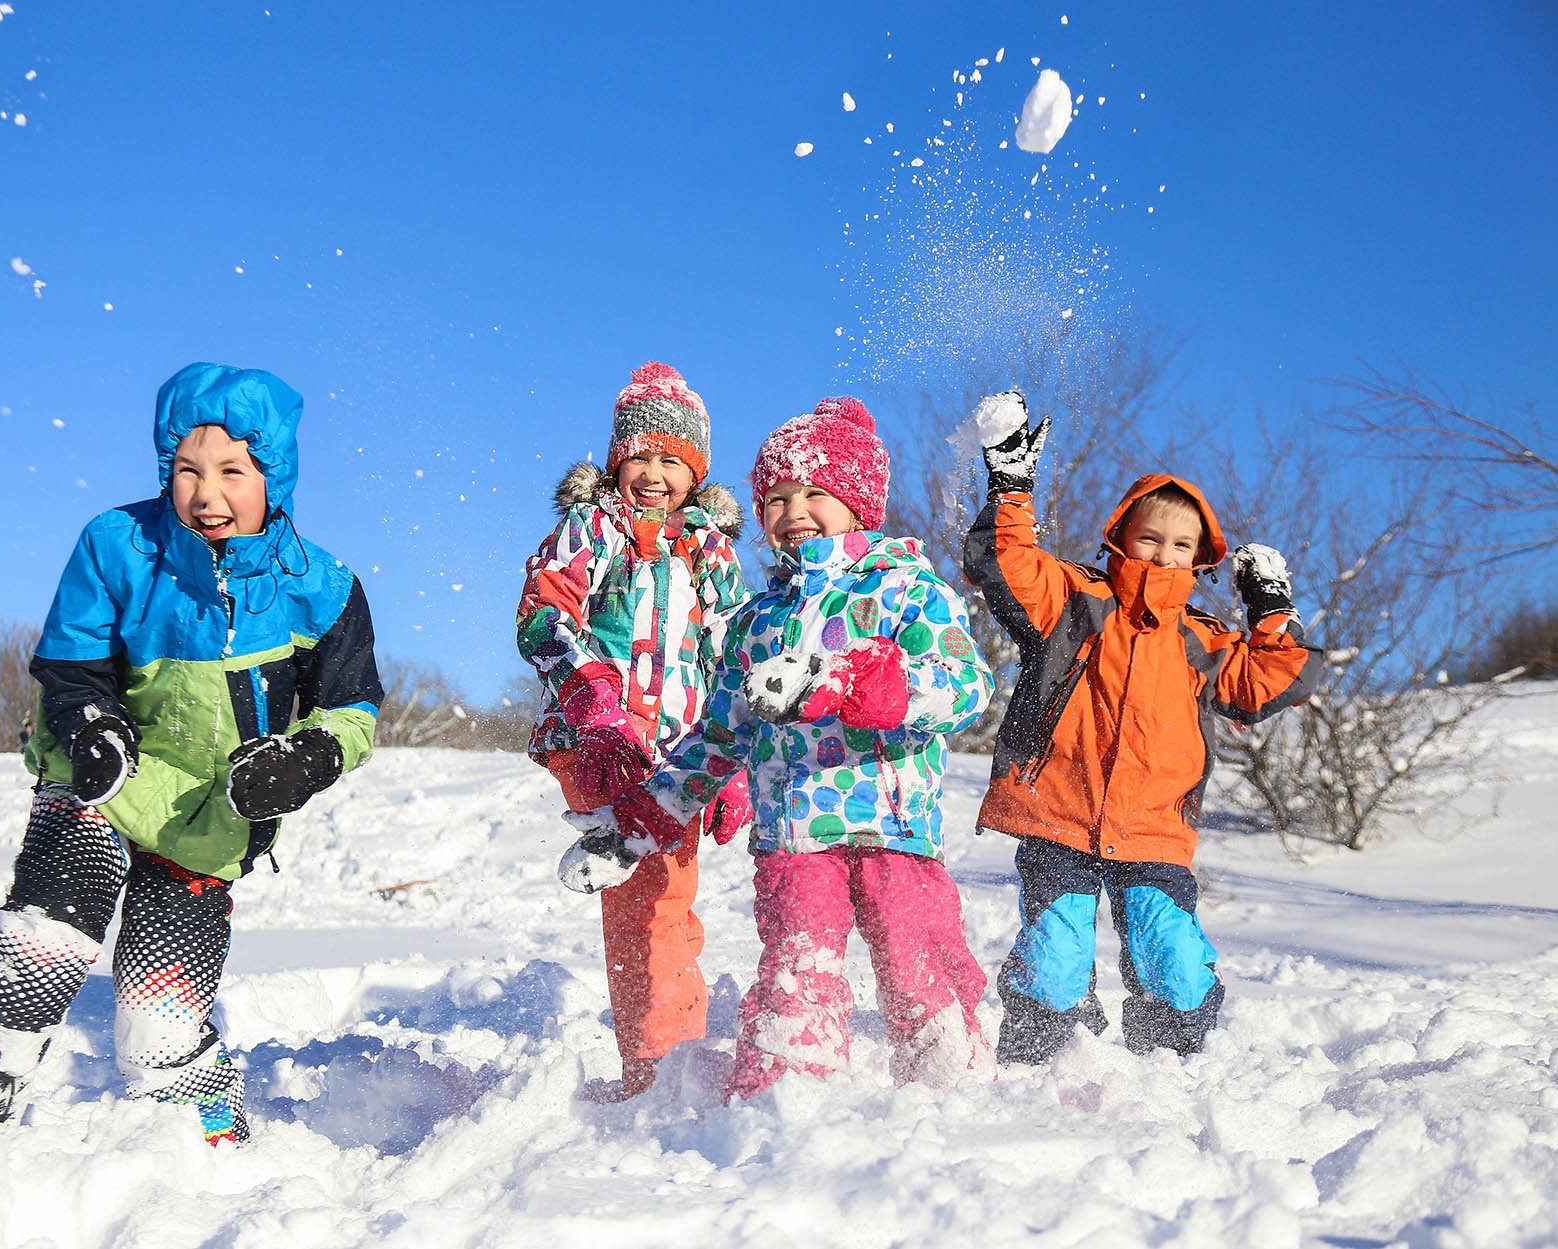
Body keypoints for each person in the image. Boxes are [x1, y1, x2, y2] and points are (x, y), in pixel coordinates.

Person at [0, 362, 384, 1143]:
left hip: (210, 815)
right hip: (104, 779)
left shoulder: (323, 587)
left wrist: (304, 759)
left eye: (232, 471)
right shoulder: (117, 546)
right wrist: (92, 725)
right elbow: (71, 663)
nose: (206, 493)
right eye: (186, 470)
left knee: (159, 1020)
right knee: (47, 934)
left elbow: (353, 710)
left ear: (274, 475)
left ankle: (207, 1140)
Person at [564, 397, 996, 1100]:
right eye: (776, 498)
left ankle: (953, 1085)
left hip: (895, 831)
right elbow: (719, 737)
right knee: (798, 968)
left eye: (815, 493)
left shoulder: (907, 590)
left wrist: (868, 686)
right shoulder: (757, 621)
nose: (794, 511)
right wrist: (641, 817)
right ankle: (786, 1094)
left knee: (918, 961)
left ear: (857, 502)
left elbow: (967, 688)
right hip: (794, 836)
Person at [963, 391, 1323, 1063]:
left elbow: (1276, 679)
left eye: (1181, 545)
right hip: (1060, 813)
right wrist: (1011, 488)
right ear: (1120, 538)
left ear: (1201, 558)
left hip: (1155, 826)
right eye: (1150, 538)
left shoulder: (1203, 640)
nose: (1163, 555)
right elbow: (1008, 564)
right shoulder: (1076, 601)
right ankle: (1042, 1064)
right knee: (1055, 959)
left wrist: (1270, 608)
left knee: (1175, 961)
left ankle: (1173, 1062)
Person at [516, 362, 752, 1099]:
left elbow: (735, 651)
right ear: (617, 461)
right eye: (640, 456)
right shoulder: (593, 528)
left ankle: (663, 1060)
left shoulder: (711, 551)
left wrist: (733, 761)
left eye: (672, 461)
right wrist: (593, 699)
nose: (653, 474)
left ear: (696, 473)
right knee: (652, 902)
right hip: (601, 742)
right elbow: (543, 616)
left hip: (681, 753)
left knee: (663, 900)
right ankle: (661, 1068)